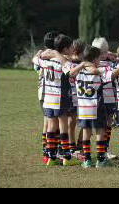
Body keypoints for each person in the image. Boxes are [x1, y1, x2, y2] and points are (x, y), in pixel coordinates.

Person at [32, 34, 77, 166]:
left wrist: (43, 54)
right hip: (59, 99)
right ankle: (67, 157)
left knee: (51, 127)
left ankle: (51, 157)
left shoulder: (46, 62)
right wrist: (57, 55)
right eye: (70, 48)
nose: (72, 49)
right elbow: (69, 68)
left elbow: (35, 59)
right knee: (63, 126)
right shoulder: (61, 63)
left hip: (48, 100)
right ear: (64, 49)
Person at [34, 31, 59, 164]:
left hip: (42, 92)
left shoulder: (42, 54)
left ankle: (46, 152)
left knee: (47, 122)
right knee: (53, 123)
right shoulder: (55, 56)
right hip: (51, 92)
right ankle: (52, 151)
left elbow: (35, 68)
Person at [91, 37, 117, 160]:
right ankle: (105, 149)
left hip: (98, 99)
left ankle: (103, 150)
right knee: (107, 125)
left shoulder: (91, 65)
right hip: (109, 98)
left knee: (101, 126)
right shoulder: (111, 65)